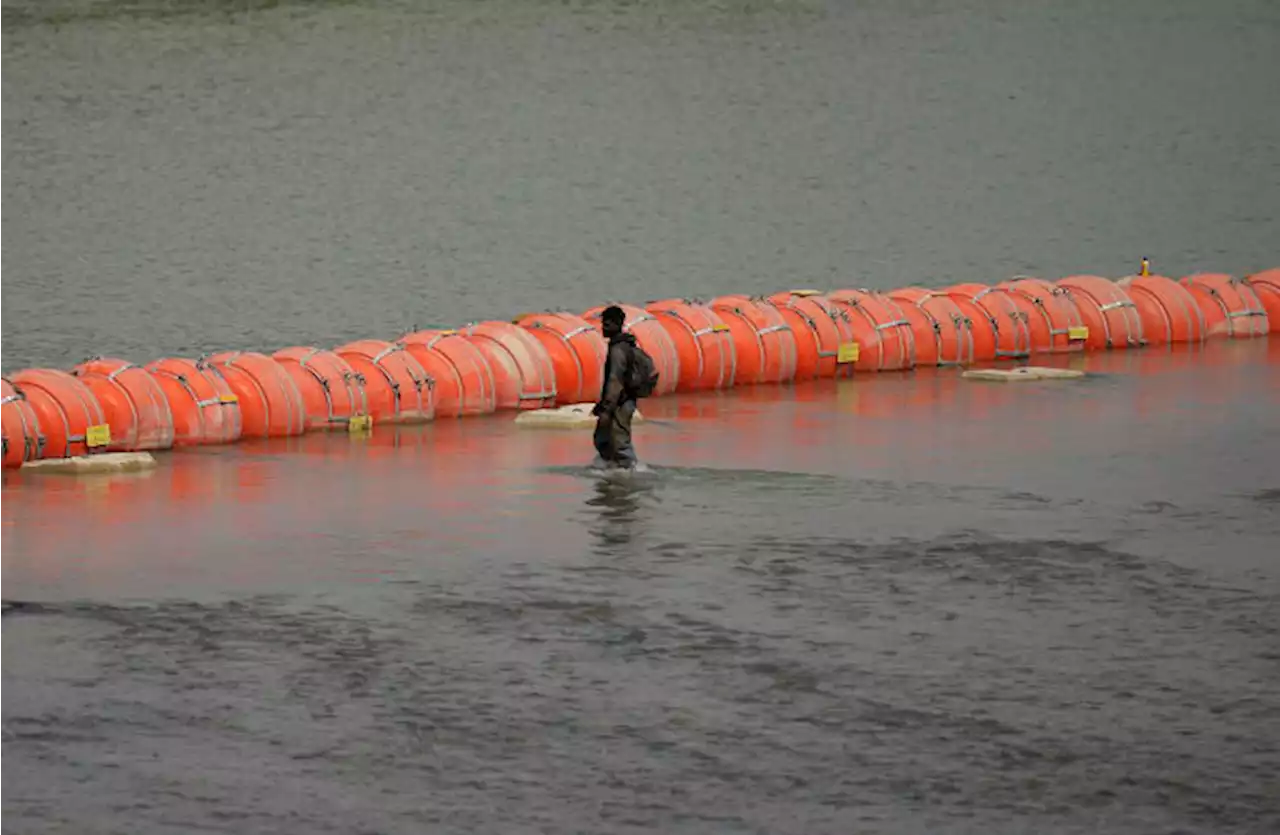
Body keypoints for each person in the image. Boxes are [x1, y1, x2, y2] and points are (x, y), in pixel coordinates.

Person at [591, 305, 639, 469]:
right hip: (622, 401)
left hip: (620, 403)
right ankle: (613, 469)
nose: (603, 328)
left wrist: (606, 409)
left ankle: (630, 472)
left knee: (620, 442)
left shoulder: (618, 350)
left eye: (607, 325)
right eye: (602, 324)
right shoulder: (623, 345)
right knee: (603, 439)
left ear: (617, 324)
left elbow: (615, 381)